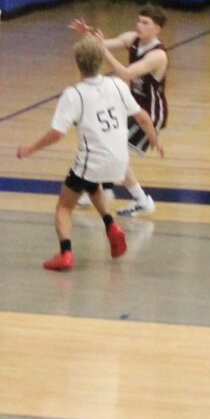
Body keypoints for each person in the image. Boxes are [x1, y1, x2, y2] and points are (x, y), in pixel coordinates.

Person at [17, 37, 163, 271]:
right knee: (91, 184)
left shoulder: (74, 94)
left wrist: (31, 148)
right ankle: (110, 224)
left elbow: (57, 133)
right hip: (120, 160)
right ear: (100, 60)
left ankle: (65, 253)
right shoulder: (117, 85)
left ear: (78, 63)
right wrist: (154, 139)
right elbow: (143, 117)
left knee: (64, 206)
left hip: (93, 160)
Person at [70, 6, 168, 216]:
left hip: (150, 112)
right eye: (139, 21)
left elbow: (125, 74)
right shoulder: (132, 38)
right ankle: (104, 189)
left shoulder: (158, 55)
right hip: (131, 106)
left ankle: (137, 198)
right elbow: (101, 45)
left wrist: (104, 51)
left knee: (113, 150)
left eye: (145, 23)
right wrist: (88, 34)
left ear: (157, 29)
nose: (139, 25)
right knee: (107, 146)